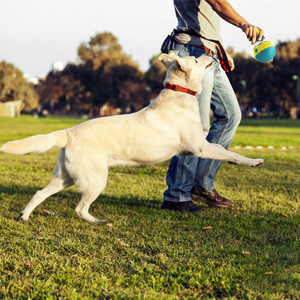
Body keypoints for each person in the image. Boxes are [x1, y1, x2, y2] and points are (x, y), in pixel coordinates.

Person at [161, 0, 264, 212]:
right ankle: (177, 195)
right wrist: (244, 24)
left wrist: (219, 49)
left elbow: (204, 19)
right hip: (192, 53)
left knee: (231, 115)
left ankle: (201, 185)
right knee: (195, 128)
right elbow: (217, 3)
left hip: (208, 52)